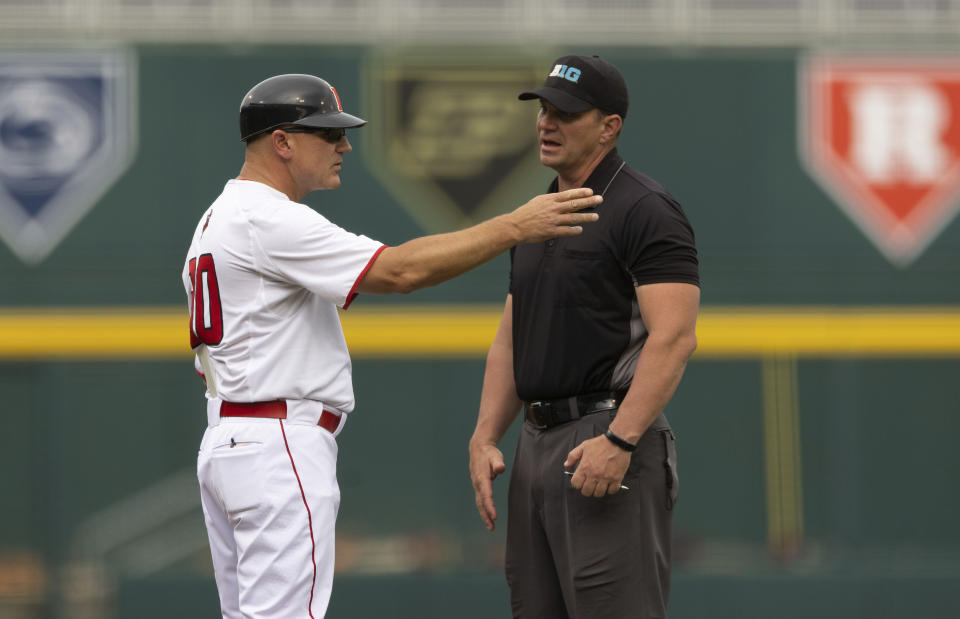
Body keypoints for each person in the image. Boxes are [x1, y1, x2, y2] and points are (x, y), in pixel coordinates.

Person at [182, 73, 601, 619]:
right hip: (277, 444)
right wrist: (515, 226)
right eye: (328, 134)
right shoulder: (268, 218)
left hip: (232, 439)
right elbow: (402, 271)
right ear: (282, 142)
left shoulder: (218, 217)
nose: (344, 146)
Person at [468, 55, 700, 619]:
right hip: (538, 439)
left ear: (609, 126)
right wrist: (485, 436)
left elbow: (674, 338)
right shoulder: (537, 214)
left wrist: (620, 441)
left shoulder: (643, 208)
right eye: (544, 109)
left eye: (566, 112)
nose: (548, 122)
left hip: (606, 433)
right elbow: (511, 337)